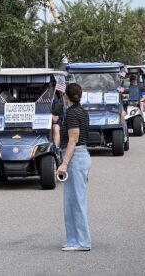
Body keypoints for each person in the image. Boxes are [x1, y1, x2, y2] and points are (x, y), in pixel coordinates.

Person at [57, 83, 91, 252]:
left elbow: (73, 139)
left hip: (75, 157)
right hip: (79, 156)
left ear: (66, 96)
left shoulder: (72, 113)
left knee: (76, 201)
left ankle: (83, 242)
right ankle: (73, 240)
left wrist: (64, 163)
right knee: (71, 202)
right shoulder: (82, 111)